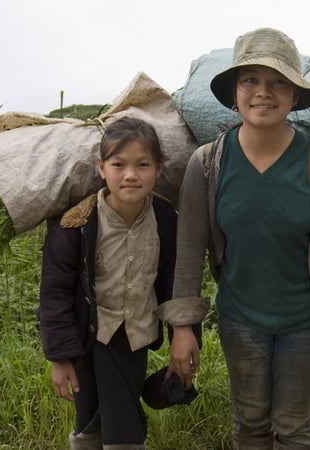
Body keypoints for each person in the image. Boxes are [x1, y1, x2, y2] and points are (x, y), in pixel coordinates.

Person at [171, 27, 310, 449]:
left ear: (295, 96)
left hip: (305, 322)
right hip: (240, 320)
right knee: (251, 424)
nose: (264, 92)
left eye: (279, 82)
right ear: (234, 92)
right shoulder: (207, 165)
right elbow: (188, 253)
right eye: (251, 81)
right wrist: (183, 327)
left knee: (294, 426)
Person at [37, 117, 204, 450]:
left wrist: (183, 333)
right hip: (87, 338)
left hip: (134, 338)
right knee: (89, 418)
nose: (130, 174)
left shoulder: (166, 220)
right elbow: (54, 295)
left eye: (142, 164)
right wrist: (59, 358)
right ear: (101, 168)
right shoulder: (76, 225)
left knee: (122, 421)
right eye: (119, 164)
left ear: (159, 169)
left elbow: (176, 280)